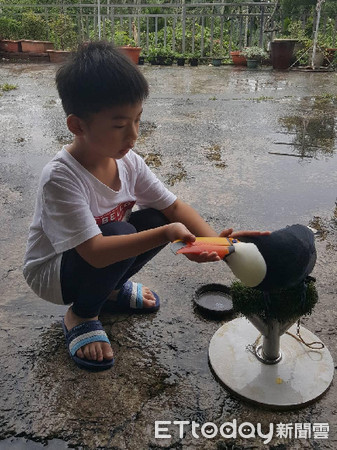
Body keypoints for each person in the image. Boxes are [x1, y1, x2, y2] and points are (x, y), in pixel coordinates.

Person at [23, 41, 267, 371]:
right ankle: (81, 313)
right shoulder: (60, 177)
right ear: (77, 126)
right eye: (120, 125)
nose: (134, 135)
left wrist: (221, 246)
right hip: (55, 274)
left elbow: (175, 208)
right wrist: (166, 235)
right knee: (128, 230)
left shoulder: (129, 163)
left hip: (94, 261)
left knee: (153, 217)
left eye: (138, 120)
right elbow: (95, 252)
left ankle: (108, 291)